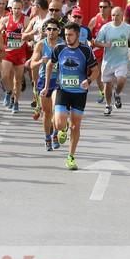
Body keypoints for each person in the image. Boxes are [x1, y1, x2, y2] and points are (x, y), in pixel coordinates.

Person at [43, 22, 98, 171]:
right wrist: (47, 86)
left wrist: (89, 80)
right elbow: (49, 65)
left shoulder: (86, 50)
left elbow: (95, 70)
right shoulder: (59, 48)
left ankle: (71, 156)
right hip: (63, 89)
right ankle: (63, 127)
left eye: (70, 35)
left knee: (76, 125)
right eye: (66, 35)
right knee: (59, 123)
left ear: (78, 35)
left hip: (79, 92)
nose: (67, 38)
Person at [93, 7, 130, 116]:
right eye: (112, 15)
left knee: (121, 80)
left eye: (117, 15)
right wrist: (105, 45)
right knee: (107, 85)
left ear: (122, 16)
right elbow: (96, 42)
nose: (114, 17)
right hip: (108, 61)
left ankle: (117, 94)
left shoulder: (127, 28)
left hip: (122, 60)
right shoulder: (106, 28)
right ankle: (108, 105)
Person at [31, 19, 65, 151]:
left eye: (54, 29)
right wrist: (41, 61)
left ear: (59, 31)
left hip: (58, 81)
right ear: (45, 31)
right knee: (47, 113)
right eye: (49, 29)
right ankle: (47, 138)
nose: (51, 32)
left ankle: (55, 134)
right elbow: (31, 64)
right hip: (44, 80)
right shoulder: (40, 45)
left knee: (57, 111)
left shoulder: (63, 45)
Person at [0, 0, 31, 113]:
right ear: (11, 9)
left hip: (20, 52)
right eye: (14, 8)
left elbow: (30, 34)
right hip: (8, 51)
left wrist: (27, 38)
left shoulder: (25, 20)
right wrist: (1, 34)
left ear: (22, 9)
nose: (16, 10)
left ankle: (15, 102)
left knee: (18, 79)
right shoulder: (5, 19)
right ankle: (9, 92)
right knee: (4, 76)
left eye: (19, 8)